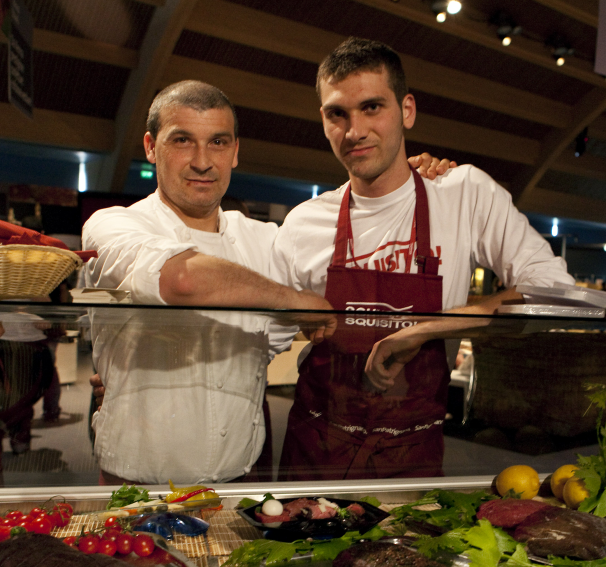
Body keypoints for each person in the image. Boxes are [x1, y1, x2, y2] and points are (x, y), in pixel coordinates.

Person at [83, 80, 452, 486]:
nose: (203, 161)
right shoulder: (114, 225)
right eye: (183, 140)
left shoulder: (267, 240)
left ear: (236, 151)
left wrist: (404, 183)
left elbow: (364, 253)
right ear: (152, 147)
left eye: (218, 142)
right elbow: (182, 278)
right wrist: (289, 298)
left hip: (241, 480)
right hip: (136, 483)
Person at [271, 37, 574, 481]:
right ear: (323, 120)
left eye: (372, 107)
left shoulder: (462, 194)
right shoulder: (302, 225)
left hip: (409, 464)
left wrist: (428, 328)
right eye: (338, 113)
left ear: (407, 110)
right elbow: (261, 338)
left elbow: (554, 289)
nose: (354, 130)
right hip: (315, 457)